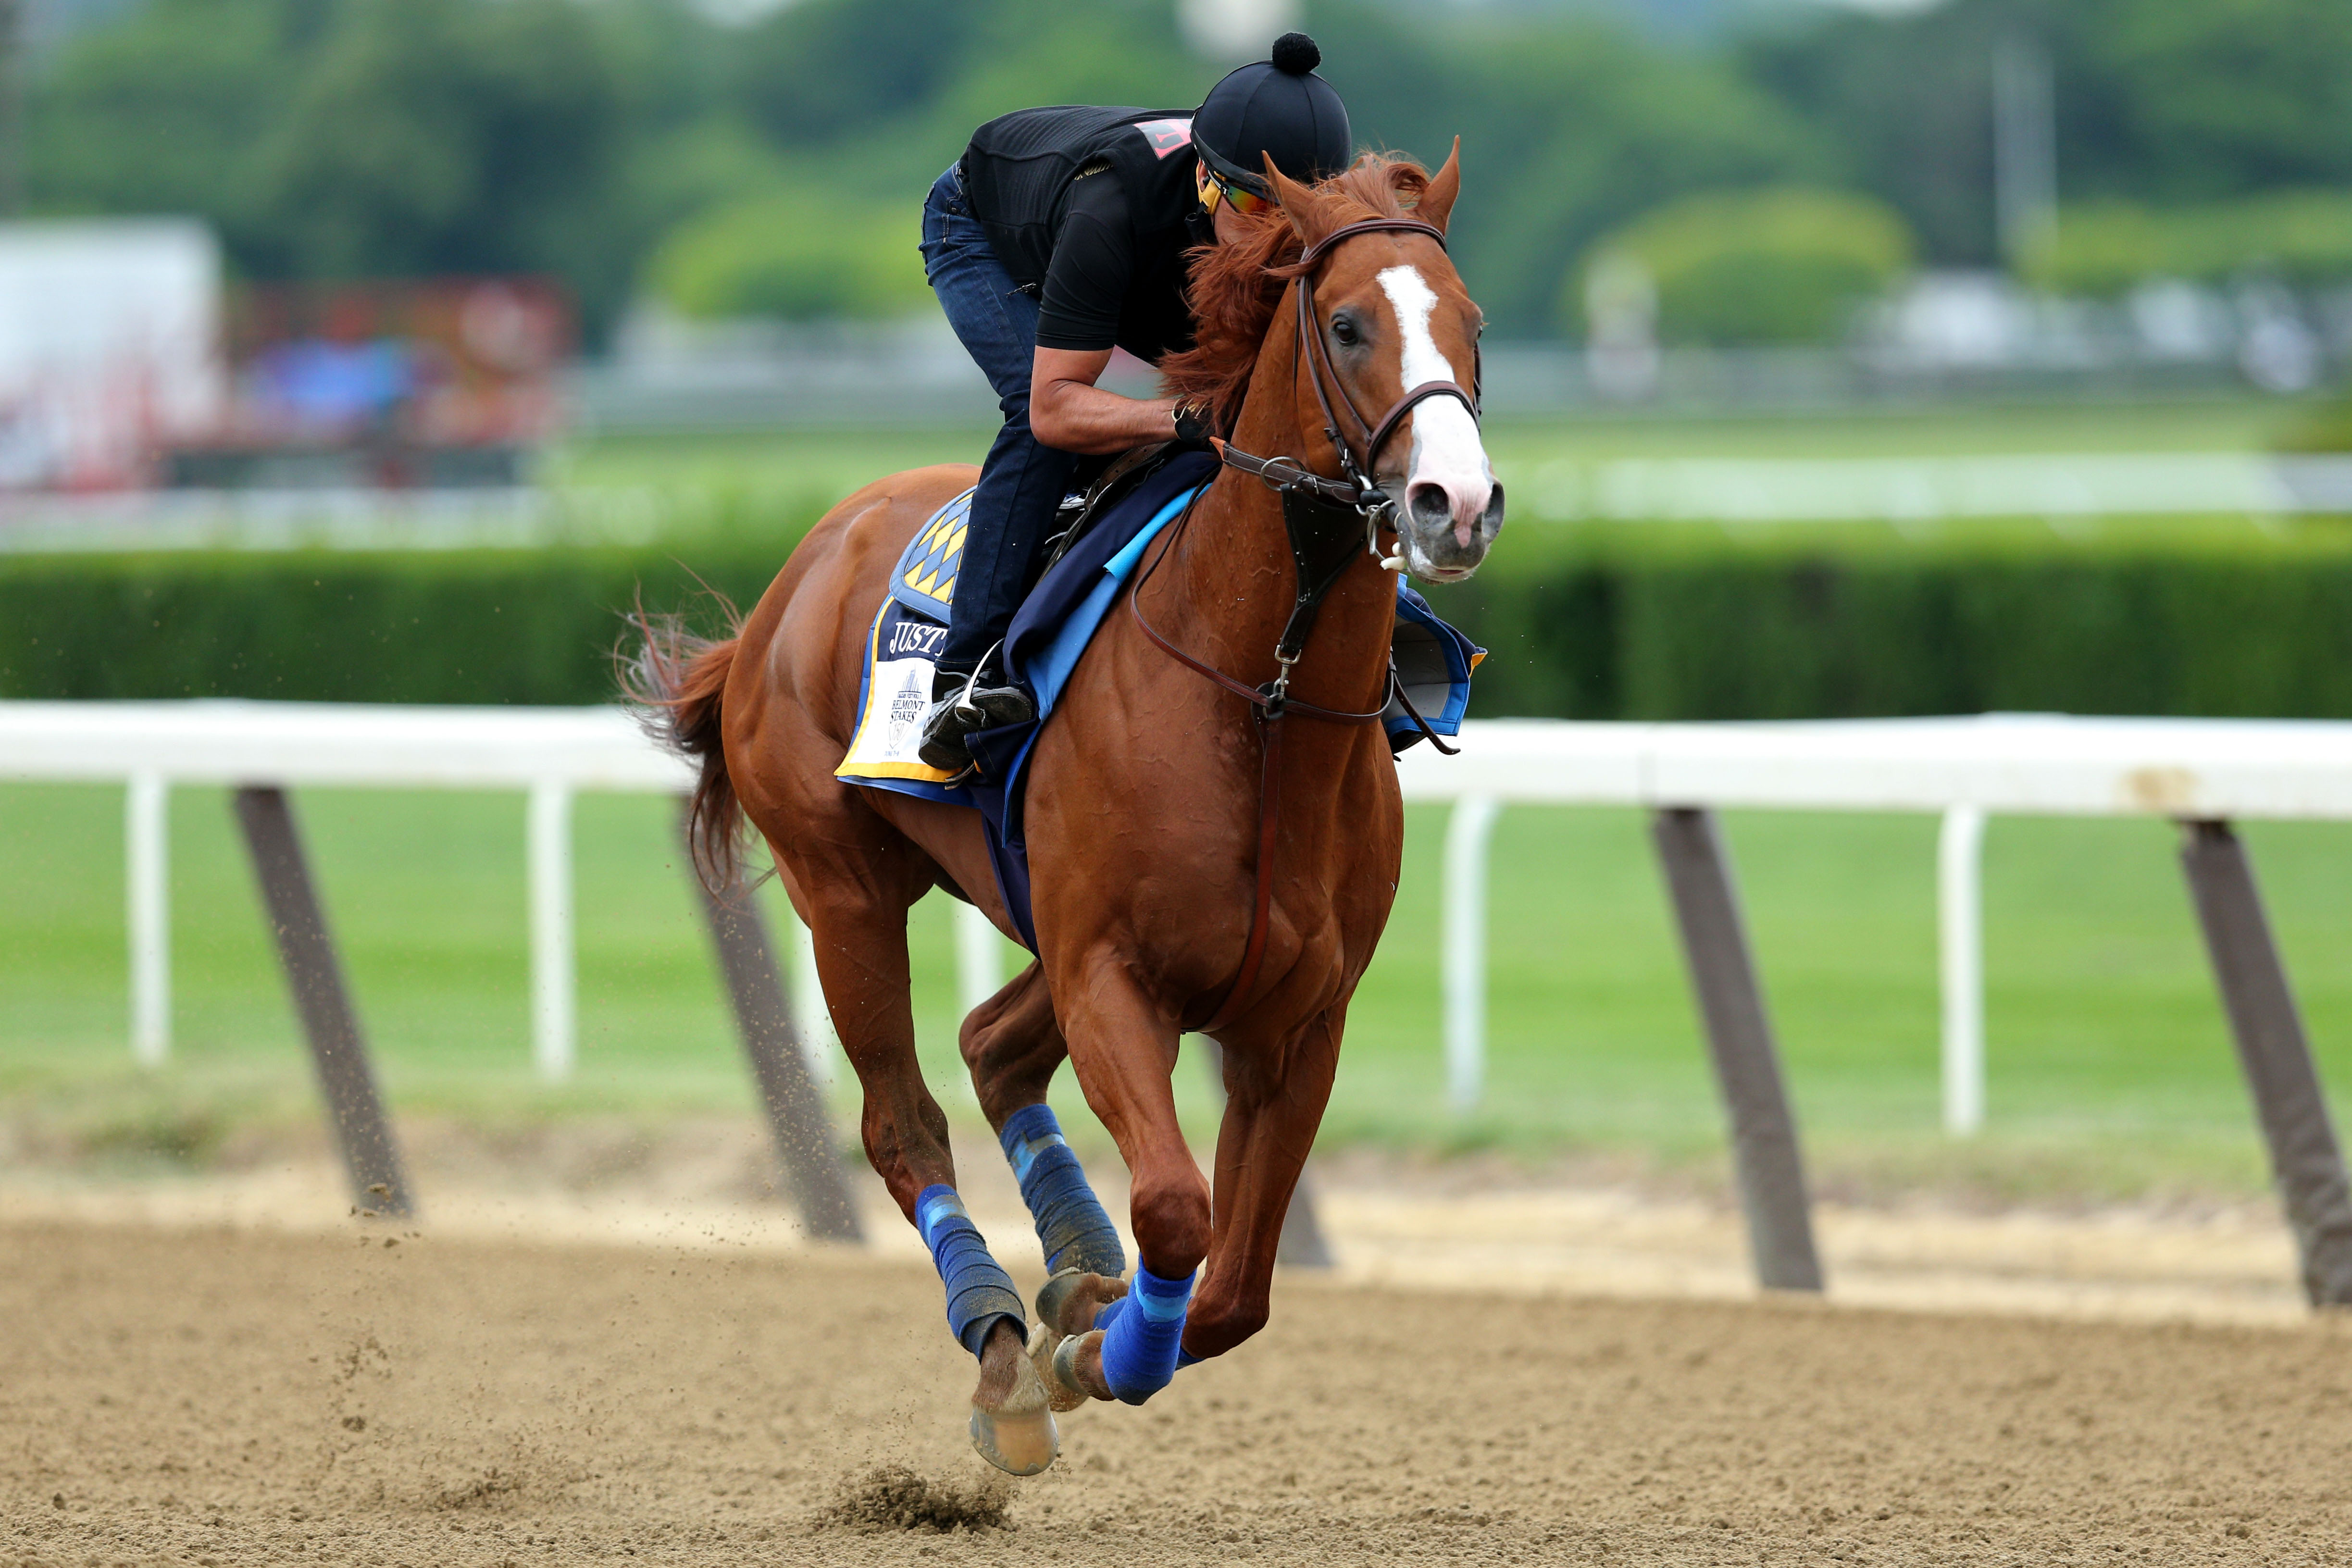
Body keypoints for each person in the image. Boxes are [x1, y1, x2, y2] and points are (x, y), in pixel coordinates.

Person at [914, 32, 1353, 772]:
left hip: (1158, 253)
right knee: (1037, 422)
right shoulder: (1111, 212)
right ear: (1208, 182)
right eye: (1253, 202)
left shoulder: (1270, 218)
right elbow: (1058, 405)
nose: (1275, 233)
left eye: (1297, 211)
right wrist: (1175, 419)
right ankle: (963, 677)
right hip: (984, 230)